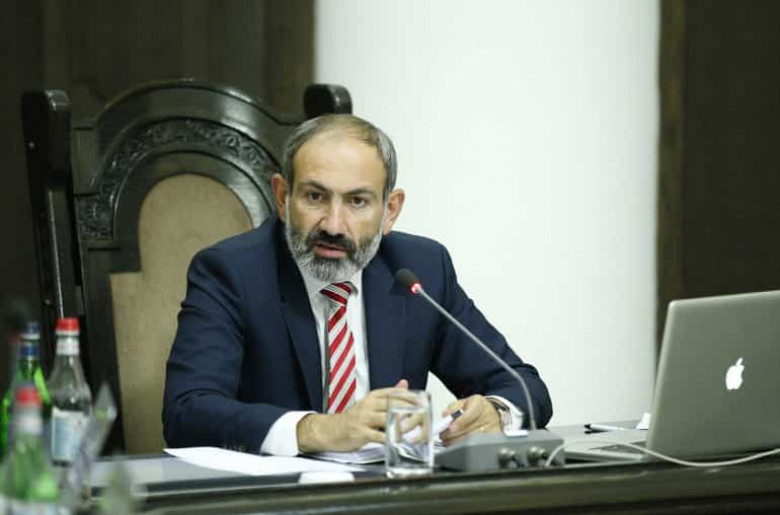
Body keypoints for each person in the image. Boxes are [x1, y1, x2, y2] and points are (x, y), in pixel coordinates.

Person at [163, 114, 552, 455]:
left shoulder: (420, 270)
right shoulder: (232, 272)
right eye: (315, 196)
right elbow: (187, 412)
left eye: (357, 202)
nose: (334, 225)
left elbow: (523, 386)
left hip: (390, 495)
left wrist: (494, 413)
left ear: (390, 210)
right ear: (282, 197)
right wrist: (320, 429)